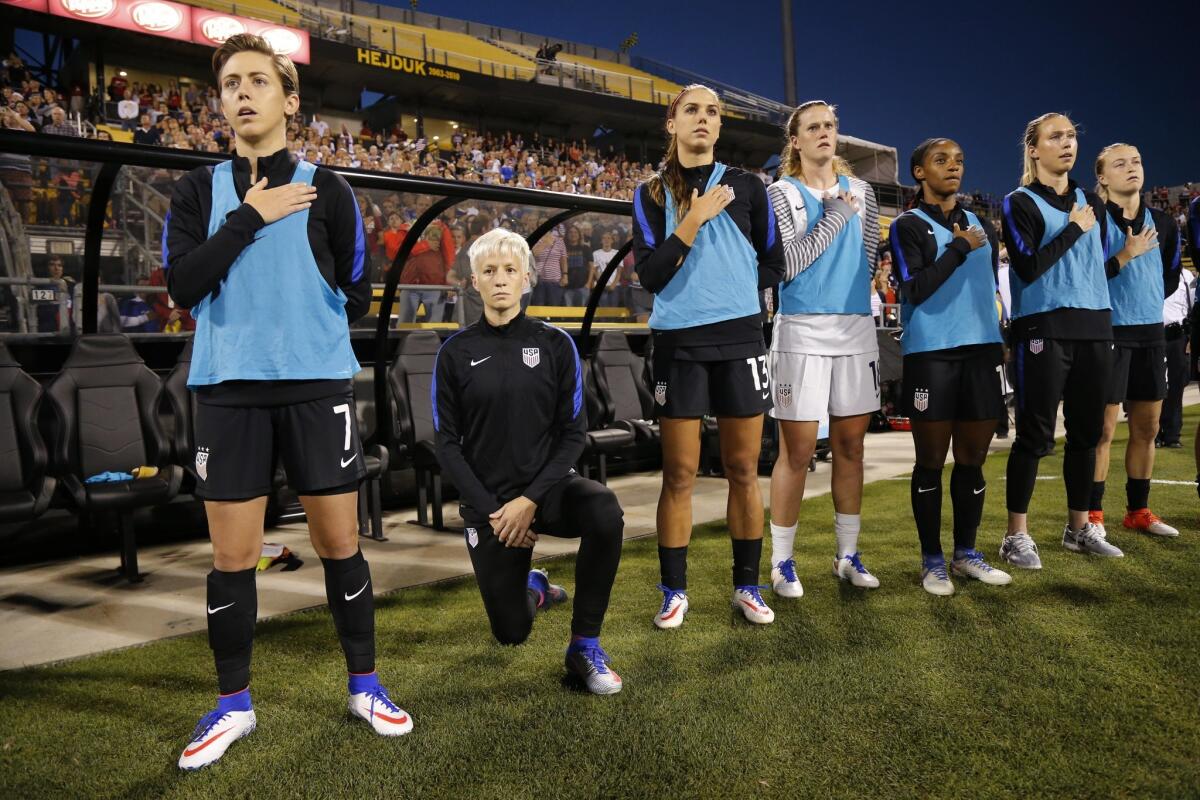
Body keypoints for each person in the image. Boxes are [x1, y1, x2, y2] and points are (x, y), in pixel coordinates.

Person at [164, 34, 408, 771]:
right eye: (230, 83)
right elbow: (183, 286)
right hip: (228, 391)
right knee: (233, 558)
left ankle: (364, 686)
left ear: (288, 99)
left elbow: (357, 291)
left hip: (313, 387)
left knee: (340, 545)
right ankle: (234, 704)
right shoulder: (196, 192)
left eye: (257, 82)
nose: (241, 93)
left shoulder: (329, 189)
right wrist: (251, 216)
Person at [433, 227, 625, 694]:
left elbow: (573, 434)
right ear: (473, 282)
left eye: (510, 270)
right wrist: (496, 512)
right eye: (489, 271)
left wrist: (530, 500)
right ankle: (534, 587)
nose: (500, 280)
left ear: (526, 279)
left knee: (604, 510)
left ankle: (584, 646)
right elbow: (447, 445)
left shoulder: (557, 345)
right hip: (491, 509)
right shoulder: (454, 353)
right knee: (512, 632)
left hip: (548, 491)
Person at [631, 84, 784, 627]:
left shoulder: (749, 186)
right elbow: (649, 275)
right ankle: (674, 590)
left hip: (742, 338)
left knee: (744, 468)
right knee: (680, 473)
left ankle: (748, 585)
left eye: (712, 111)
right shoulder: (650, 192)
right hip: (679, 344)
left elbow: (775, 262)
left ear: (720, 128)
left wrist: (738, 297)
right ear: (671, 124)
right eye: (691, 110)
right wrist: (693, 221)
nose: (703, 118)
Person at [765, 100, 882, 598]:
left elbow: (869, 256)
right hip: (801, 330)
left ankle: (847, 555)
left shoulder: (864, 191)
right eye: (812, 127)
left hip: (855, 327)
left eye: (831, 125)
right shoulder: (779, 193)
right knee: (797, 453)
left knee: (851, 448)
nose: (824, 133)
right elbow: (788, 264)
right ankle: (782, 562)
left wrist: (843, 218)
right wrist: (834, 217)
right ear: (795, 140)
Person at [890, 138, 1012, 596]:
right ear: (919, 172)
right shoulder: (907, 225)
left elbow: (990, 290)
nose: (953, 167)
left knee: (973, 460)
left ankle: (965, 554)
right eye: (941, 161)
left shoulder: (982, 223)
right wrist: (958, 248)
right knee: (929, 462)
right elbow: (915, 289)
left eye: (959, 160)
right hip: (932, 354)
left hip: (981, 352)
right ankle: (932, 561)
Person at [999, 113, 1120, 568]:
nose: (1067, 143)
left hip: (1094, 326)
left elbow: (1094, 266)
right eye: (1055, 136)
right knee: (1034, 435)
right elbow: (1028, 268)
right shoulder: (1019, 201)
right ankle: (1016, 536)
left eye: (1071, 135)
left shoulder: (1093, 202)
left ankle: (1079, 527)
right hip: (1043, 327)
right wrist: (1073, 228)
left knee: (1088, 435)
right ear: (1033, 149)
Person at [1089, 144, 1181, 538]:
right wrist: (1126, 257)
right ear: (1103, 177)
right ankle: (1091, 516)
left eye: (1137, 162)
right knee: (1102, 431)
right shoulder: (1093, 220)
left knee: (1148, 427)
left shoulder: (1164, 221)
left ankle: (1138, 510)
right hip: (1107, 332)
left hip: (1150, 333)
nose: (1132, 169)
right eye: (1120, 164)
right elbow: (1085, 277)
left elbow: (1171, 278)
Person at [562, 224, 592, 306]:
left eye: (575, 232)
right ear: (567, 235)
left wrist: (589, 283)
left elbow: (591, 267)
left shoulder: (586, 248)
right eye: (571, 232)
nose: (573, 234)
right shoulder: (563, 248)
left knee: (582, 313)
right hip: (567, 286)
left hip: (583, 285)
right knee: (568, 313)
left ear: (579, 235)